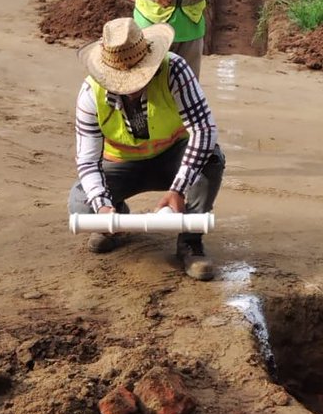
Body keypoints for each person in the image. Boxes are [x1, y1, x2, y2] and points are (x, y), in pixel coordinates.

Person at [68, 17, 225, 280]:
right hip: (122, 166)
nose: (129, 89)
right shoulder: (90, 93)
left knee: (210, 161)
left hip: (174, 159)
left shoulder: (174, 70)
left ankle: (190, 241)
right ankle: (116, 219)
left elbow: (204, 130)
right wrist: (103, 207)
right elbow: (87, 160)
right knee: (81, 206)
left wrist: (179, 189)